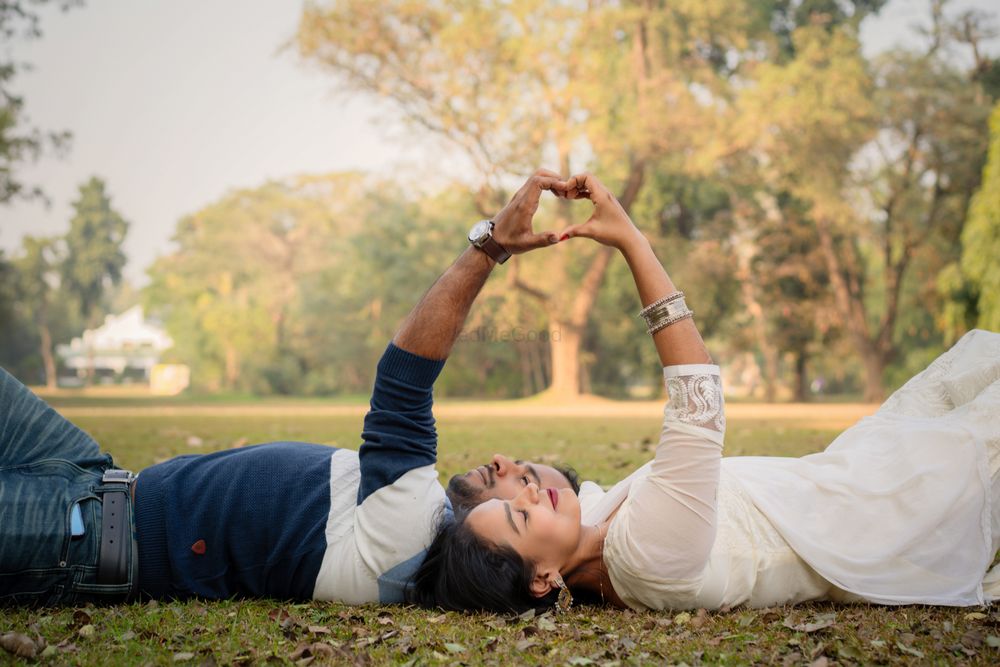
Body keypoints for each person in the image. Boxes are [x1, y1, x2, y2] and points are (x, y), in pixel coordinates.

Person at [411, 172, 1000, 614]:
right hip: (889, 510)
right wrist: (633, 244)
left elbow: (556, 494)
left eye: (522, 495)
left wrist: (496, 241)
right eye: (520, 514)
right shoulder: (646, 562)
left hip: (849, 479)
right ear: (542, 579)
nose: (534, 492)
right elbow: (698, 406)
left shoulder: (592, 524)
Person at [0, 170, 581, 607]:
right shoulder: (422, 531)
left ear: (540, 577)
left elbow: (405, 375)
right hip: (90, 475)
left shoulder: (408, 528)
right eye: (526, 489)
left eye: (520, 512)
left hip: (77, 532)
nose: (523, 491)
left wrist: (491, 246)